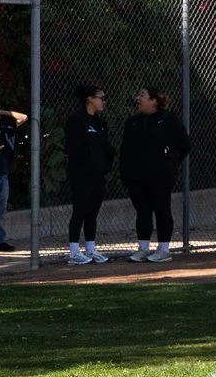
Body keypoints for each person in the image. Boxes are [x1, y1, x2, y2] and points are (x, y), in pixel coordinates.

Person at [119, 86, 190, 264]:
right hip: (137, 176)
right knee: (142, 211)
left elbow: (184, 145)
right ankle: (143, 248)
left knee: (161, 209)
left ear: (154, 100)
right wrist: (126, 172)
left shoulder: (168, 120)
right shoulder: (133, 122)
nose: (138, 98)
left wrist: (169, 164)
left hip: (160, 176)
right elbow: (125, 150)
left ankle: (163, 250)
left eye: (142, 95)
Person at [63, 84, 113, 266]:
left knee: (92, 212)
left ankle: (91, 249)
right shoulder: (77, 120)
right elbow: (73, 149)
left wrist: (105, 165)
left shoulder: (100, 122)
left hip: (97, 176)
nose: (103, 102)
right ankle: (74, 252)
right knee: (80, 211)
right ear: (90, 99)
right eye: (101, 98)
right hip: (81, 174)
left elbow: (106, 148)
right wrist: (85, 166)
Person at [0, 104, 29, 251]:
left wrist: (3, 113)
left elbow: (23, 117)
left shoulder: (6, 124)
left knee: (0, 209)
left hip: (3, 172)